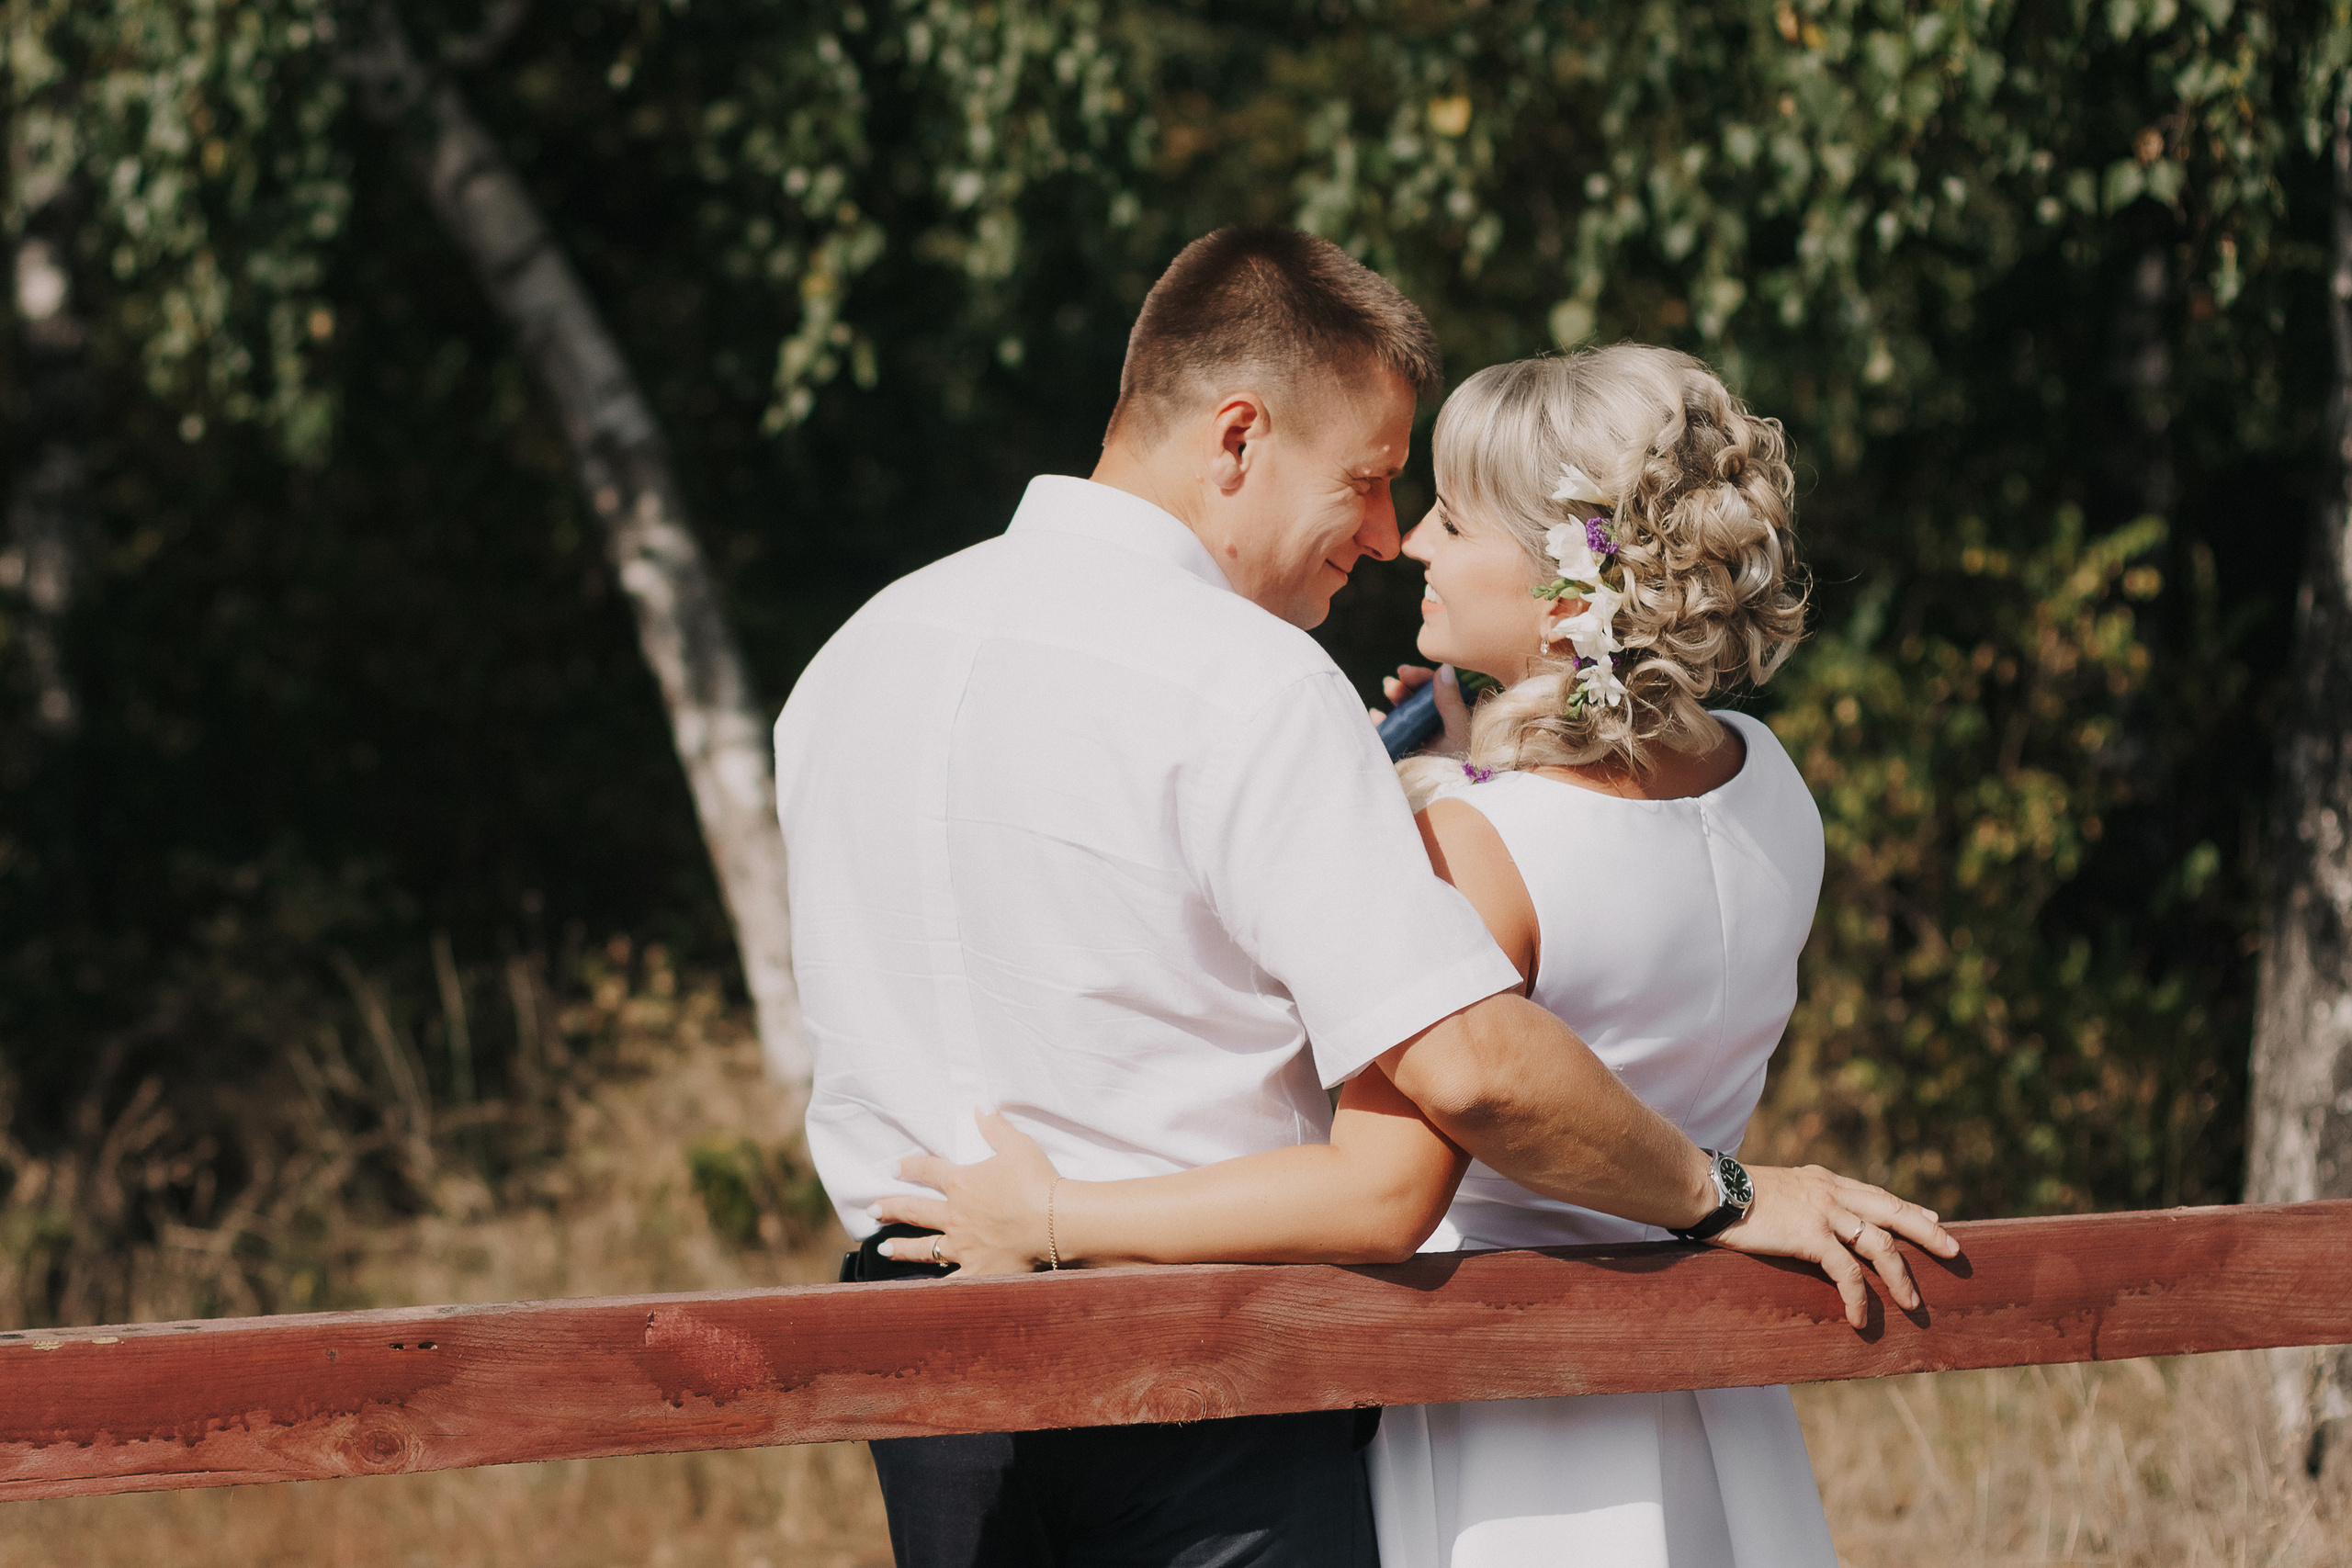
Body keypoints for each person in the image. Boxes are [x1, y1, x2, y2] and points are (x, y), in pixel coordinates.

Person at [775, 227, 1953, 1568]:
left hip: (914, 1353)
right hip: (1213, 1370)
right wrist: (1727, 1193)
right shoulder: (1254, 684)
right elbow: (1464, 1074)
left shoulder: (853, 655)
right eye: (1372, 482)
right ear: (1238, 438)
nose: (1390, 538)